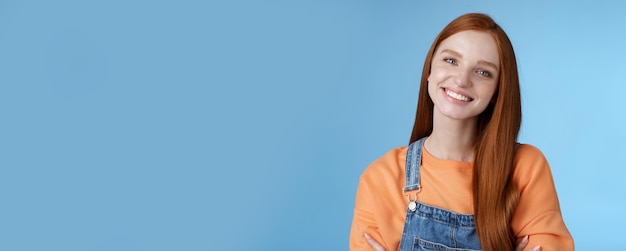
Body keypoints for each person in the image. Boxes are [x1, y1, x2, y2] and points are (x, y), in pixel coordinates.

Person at [349, 13, 574, 251]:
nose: (462, 79)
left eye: (483, 72)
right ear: (430, 69)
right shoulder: (380, 178)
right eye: (451, 61)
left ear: (498, 91)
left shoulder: (525, 168)